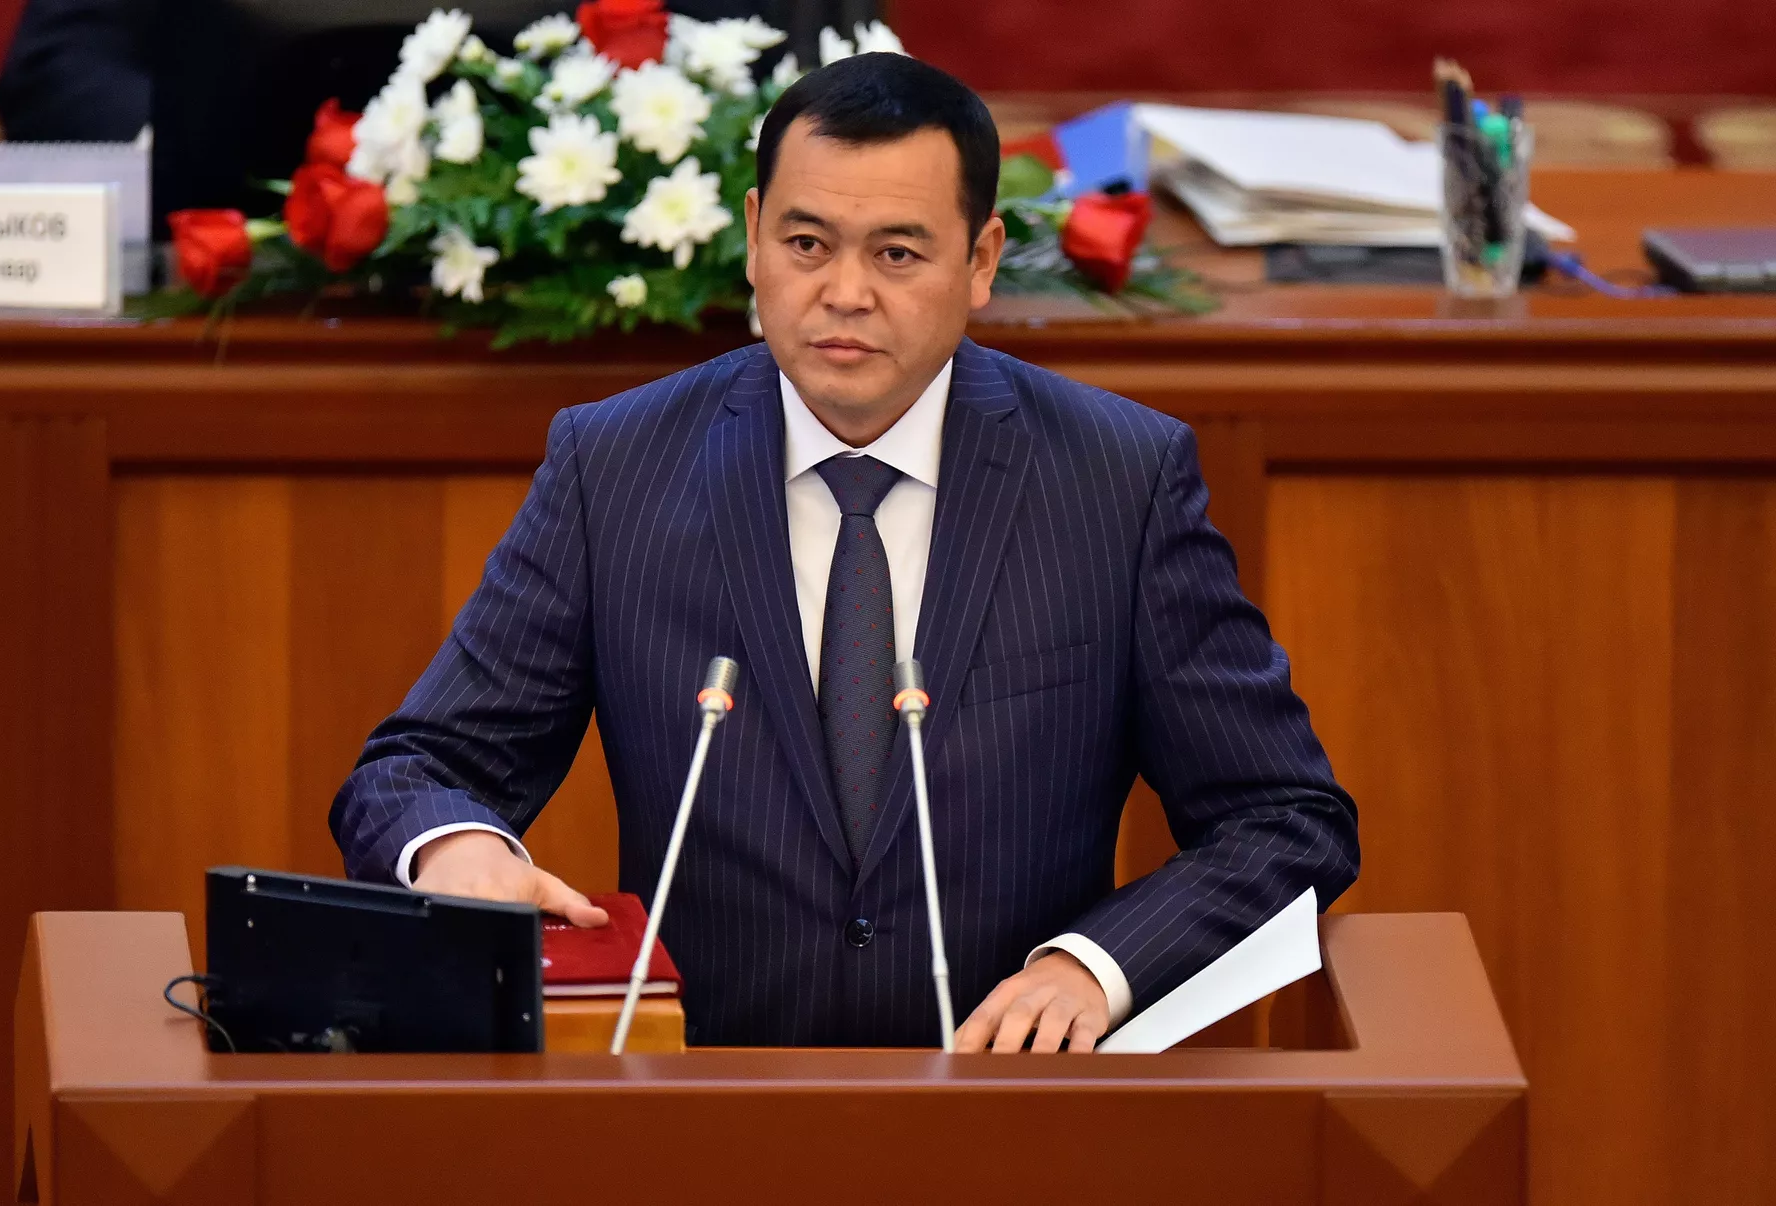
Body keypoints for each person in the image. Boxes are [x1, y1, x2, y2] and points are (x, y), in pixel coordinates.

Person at [331, 52, 1359, 1052]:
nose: (845, 292)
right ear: (751, 237)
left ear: (982, 260)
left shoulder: (1117, 481)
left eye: (897, 254)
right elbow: (418, 768)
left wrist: (1095, 966)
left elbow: (1285, 818)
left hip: (1006, 1106)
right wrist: (457, 849)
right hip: (701, 1103)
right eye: (807, 243)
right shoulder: (615, 467)